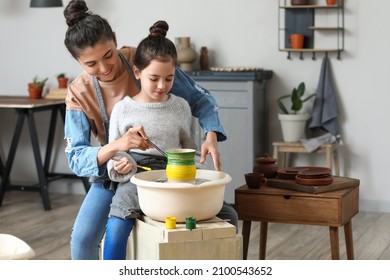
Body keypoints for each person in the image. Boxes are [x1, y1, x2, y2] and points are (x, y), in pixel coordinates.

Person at [63, 0, 238, 260]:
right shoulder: (78, 92)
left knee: (225, 217)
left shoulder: (144, 59)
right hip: (116, 171)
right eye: (91, 64)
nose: (104, 68)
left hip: (166, 166)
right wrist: (118, 147)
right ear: (78, 62)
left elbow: (200, 100)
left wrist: (210, 135)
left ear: (115, 39)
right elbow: (76, 157)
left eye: (108, 55)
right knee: (83, 238)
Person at [104, 20, 205, 259]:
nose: (162, 86)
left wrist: (197, 166)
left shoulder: (180, 106)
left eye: (169, 78)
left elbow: (191, 150)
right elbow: (114, 151)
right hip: (135, 177)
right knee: (117, 222)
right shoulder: (122, 109)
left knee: (229, 215)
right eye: (154, 78)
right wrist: (120, 164)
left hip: (174, 175)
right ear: (137, 72)